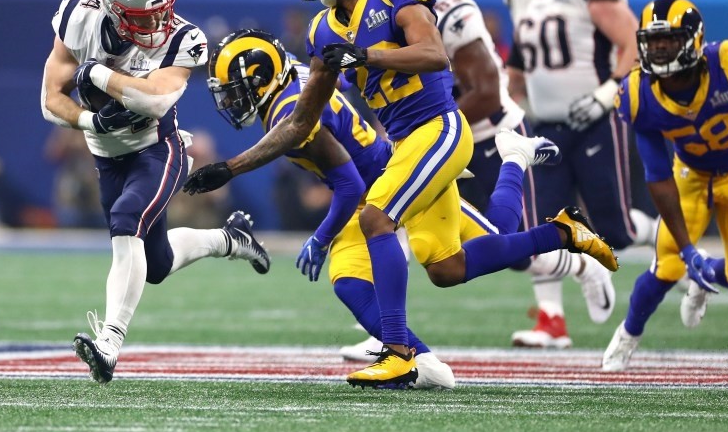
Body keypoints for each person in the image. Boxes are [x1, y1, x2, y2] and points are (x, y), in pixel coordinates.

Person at [184, 0, 618, 388]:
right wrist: (230, 168)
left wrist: (366, 58)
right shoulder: (323, 30)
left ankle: (397, 352)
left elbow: (435, 55)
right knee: (447, 268)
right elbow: (299, 123)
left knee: (376, 218)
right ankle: (561, 232)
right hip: (402, 145)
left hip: (438, 128)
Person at [207, 28, 578, 389]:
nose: (230, 102)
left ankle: (515, 157)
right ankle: (422, 360)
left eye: (235, 92)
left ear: (260, 78)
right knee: (350, 283)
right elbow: (344, 84)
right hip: (369, 193)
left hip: (392, 178)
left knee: (491, 242)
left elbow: (349, 186)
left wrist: (320, 239)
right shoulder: (296, 78)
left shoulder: (291, 115)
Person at [369, 0, 615, 355]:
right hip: (439, 136)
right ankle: (387, 330)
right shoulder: (377, 24)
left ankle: (574, 261)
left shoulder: (452, 15)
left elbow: (485, 94)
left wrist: (424, 131)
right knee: (439, 237)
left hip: (489, 131)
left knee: (499, 244)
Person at [39, 0, 271, 384]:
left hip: (158, 149)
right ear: (111, 8)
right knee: (157, 263)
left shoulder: (184, 36)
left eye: (160, 11)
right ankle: (230, 239)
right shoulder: (77, 16)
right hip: (105, 154)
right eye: (142, 17)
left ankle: (109, 344)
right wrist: (91, 119)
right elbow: (50, 99)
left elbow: (157, 100)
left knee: (127, 221)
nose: (156, 24)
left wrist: (101, 77)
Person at [603, 0, 728, 371]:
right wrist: (686, 249)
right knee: (667, 265)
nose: (660, 49)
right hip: (690, 175)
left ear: (694, 40)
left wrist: (698, 261)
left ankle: (704, 278)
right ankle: (629, 334)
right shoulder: (638, 93)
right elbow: (657, 177)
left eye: (669, 39)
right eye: (653, 42)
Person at [505, 0, 654, 348]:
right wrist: (510, 102)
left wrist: (606, 95)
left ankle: (672, 243)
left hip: (594, 121)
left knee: (617, 231)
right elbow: (521, 58)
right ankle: (551, 321)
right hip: (544, 125)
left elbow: (634, 43)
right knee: (542, 230)